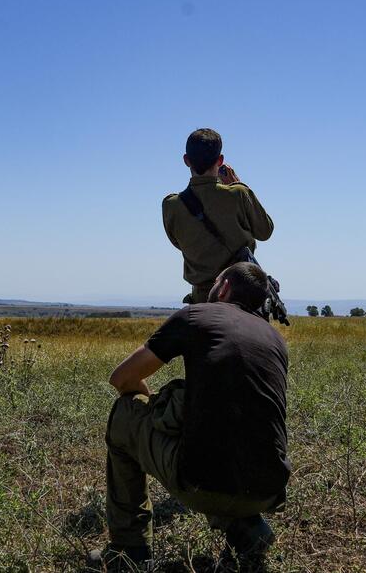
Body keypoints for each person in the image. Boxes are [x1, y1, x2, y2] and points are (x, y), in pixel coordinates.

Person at [88, 262, 290, 573]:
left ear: (222, 288)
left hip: (201, 485)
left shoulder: (195, 315)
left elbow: (121, 379)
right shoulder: (275, 340)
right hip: (268, 491)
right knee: (232, 424)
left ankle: (129, 550)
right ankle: (248, 530)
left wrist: (151, 403)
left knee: (123, 414)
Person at [163, 129, 274, 305]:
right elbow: (265, 231)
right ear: (220, 160)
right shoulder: (238, 194)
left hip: (201, 299)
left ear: (186, 160)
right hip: (241, 297)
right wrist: (237, 184)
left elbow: (177, 242)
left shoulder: (171, 205)